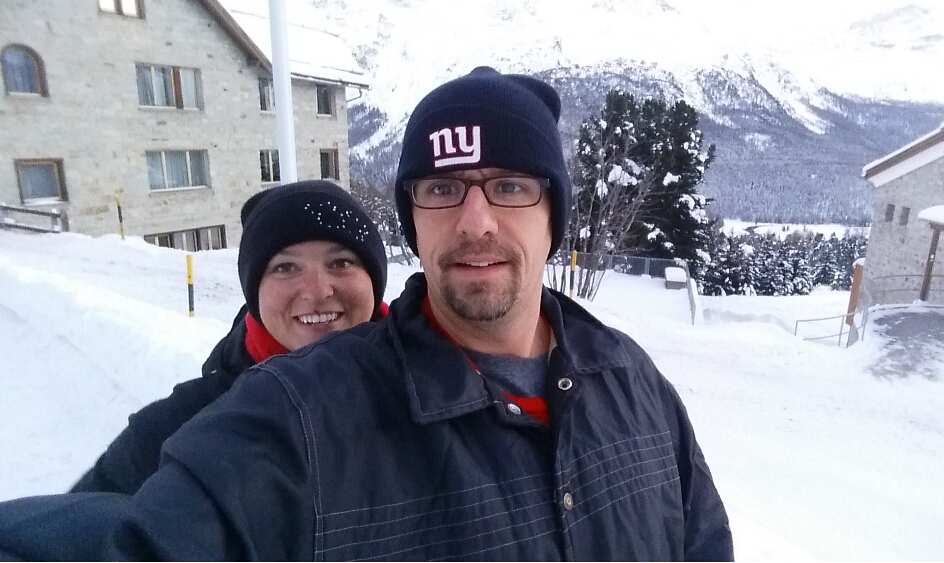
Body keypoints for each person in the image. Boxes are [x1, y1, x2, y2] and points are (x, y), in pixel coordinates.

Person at [0, 67, 732, 561]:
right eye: (443, 189)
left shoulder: (634, 385)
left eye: (510, 186)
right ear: (414, 218)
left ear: (553, 216)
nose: (476, 220)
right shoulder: (302, 416)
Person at [71, 179, 389, 495]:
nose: (317, 291)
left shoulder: (416, 390)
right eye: (285, 267)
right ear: (254, 292)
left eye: (341, 262)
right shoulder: (177, 431)